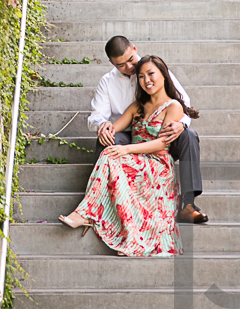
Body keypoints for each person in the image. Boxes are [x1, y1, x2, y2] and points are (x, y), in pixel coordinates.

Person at [59, 55, 193, 256]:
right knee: (108, 151)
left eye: (151, 74)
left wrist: (127, 149)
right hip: (135, 161)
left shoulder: (173, 106)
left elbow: (162, 143)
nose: (146, 80)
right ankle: (89, 214)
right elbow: (113, 129)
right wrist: (104, 128)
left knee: (113, 154)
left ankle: (87, 213)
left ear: (164, 75)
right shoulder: (136, 106)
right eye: (141, 77)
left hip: (158, 164)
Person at [87, 35, 208, 224]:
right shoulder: (107, 82)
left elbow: (183, 101)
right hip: (130, 134)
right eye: (121, 65)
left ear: (134, 49)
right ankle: (102, 202)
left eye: (130, 59)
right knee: (107, 140)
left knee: (189, 136)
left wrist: (182, 123)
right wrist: (102, 126)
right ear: (112, 63)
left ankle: (187, 205)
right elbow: (97, 117)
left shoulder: (151, 69)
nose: (129, 67)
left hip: (162, 132)